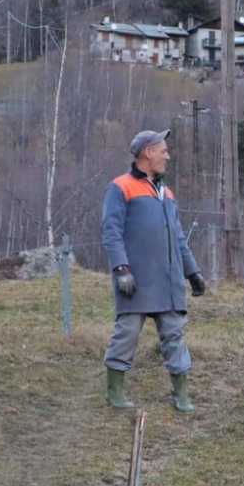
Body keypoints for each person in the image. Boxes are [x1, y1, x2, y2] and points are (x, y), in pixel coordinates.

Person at [100, 129, 206, 412]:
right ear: (148, 152)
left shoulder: (166, 193)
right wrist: (121, 269)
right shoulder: (120, 187)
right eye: (163, 150)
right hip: (135, 280)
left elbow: (178, 237)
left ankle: (181, 395)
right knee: (127, 334)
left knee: (175, 336)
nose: (167, 156)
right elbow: (111, 232)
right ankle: (115, 393)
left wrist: (192, 272)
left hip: (169, 281)